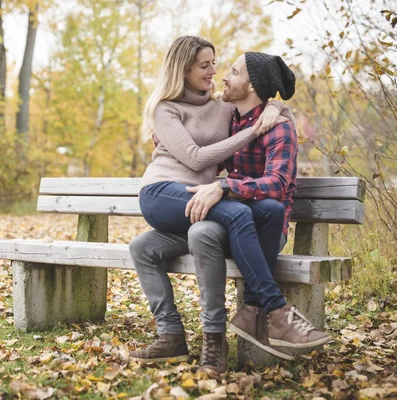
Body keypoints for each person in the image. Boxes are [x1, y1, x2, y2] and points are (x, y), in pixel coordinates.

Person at [128, 36, 331, 373]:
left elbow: (271, 106)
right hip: (163, 192)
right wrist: (247, 142)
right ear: (184, 69)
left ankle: (175, 337)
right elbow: (194, 158)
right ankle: (276, 312)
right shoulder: (166, 108)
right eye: (205, 66)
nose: (215, 73)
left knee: (144, 246)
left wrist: (273, 108)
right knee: (235, 214)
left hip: (201, 202)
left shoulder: (224, 109)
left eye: (218, 65)